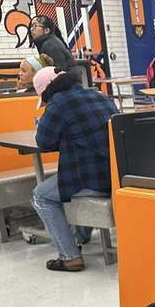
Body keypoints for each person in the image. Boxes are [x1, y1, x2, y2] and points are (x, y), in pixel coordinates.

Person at [31, 68, 116, 272]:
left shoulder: (58, 104)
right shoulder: (97, 95)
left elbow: (43, 141)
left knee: (41, 196)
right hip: (116, 173)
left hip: (91, 177)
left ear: (46, 91)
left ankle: (69, 256)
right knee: (65, 184)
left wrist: (42, 122)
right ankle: (82, 236)